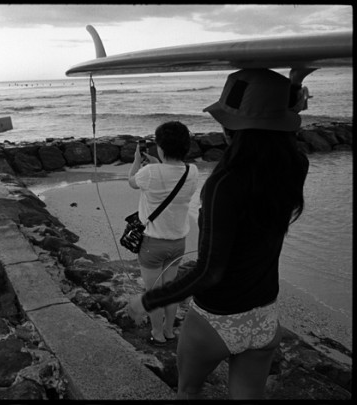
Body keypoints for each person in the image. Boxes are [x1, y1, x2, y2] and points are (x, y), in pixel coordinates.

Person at [127, 68, 313, 399]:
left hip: (218, 320)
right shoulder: (294, 168)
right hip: (265, 317)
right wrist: (292, 93)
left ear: (230, 128)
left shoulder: (224, 185)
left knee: (189, 390)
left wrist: (148, 299)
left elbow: (210, 271)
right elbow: (285, 138)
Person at [127, 121, 199, 345]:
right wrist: (158, 164)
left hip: (153, 244)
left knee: (153, 293)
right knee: (169, 290)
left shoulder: (149, 172)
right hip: (178, 242)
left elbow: (132, 182)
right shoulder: (192, 171)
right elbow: (170, 177)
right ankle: (169, 330)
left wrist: (138, 161)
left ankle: (157, 333)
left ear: (160, 146)